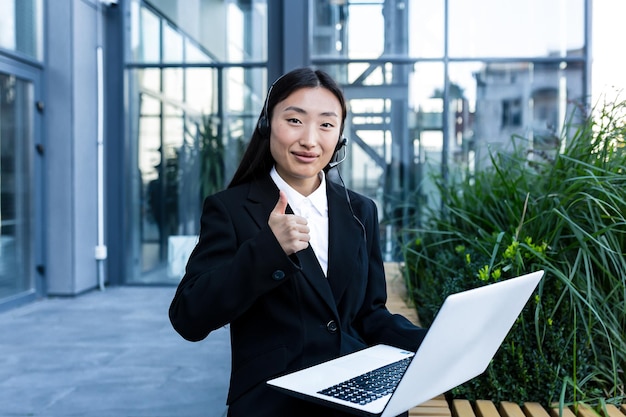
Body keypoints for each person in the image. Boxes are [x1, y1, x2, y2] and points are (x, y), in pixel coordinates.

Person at [169, 67, 428, 417]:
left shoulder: (360, 211)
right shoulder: (230, 209)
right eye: (294, 120)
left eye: (326, 124)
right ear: (267, 125)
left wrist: (433, 344)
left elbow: (369, 314)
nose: (310, 139)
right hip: (275, 404)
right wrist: (267, 250)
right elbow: (189, 316)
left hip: (356, 397)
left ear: (339, 136)